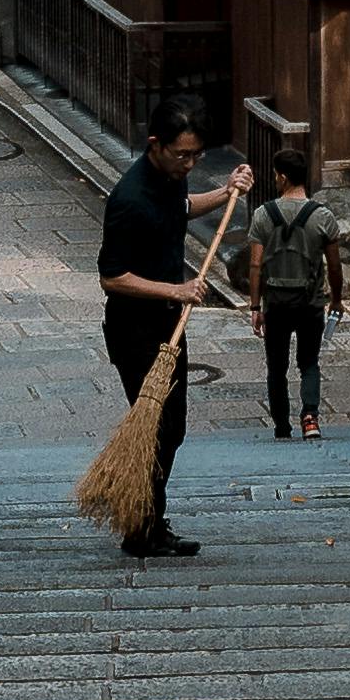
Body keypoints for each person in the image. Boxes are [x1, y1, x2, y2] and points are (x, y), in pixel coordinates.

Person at [96, 107, 240, 560]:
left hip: (167, 323)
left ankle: (147, 520)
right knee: (159, 427)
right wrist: (175, 288)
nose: (189, 164)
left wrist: (226, 190)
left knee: (170, 428)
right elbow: (112, 276)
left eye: (197, 155)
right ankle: (142, 527)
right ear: (155, 144)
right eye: (182, 155)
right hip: (134, 329)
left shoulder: (170, 179)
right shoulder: (129, 198)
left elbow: (182, 208)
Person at [235, 143, 345, 438]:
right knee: (309, 362)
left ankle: (282, 424)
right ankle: (310, 419)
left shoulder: (263, 215)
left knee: (276, 367)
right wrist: (336, 299)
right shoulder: (323, 217)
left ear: (283, 177)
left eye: (275, 175)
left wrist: (255, 307)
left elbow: (255, 266)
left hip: (276, 304)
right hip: (310, 302)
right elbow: (335, 267)